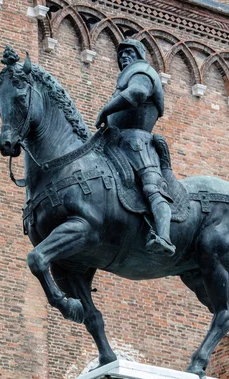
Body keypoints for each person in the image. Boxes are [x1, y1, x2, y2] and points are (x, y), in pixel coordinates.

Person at [95, 39, 175, 256]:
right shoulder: (126, 78)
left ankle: (164, 236)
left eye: (129, 52)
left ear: (139, 55)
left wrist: (105, 110)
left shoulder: (142, 71)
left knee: (152, 187)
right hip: (115, 141)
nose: (123, 57)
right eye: (120, 55)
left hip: (138, 143)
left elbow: (138, 93)